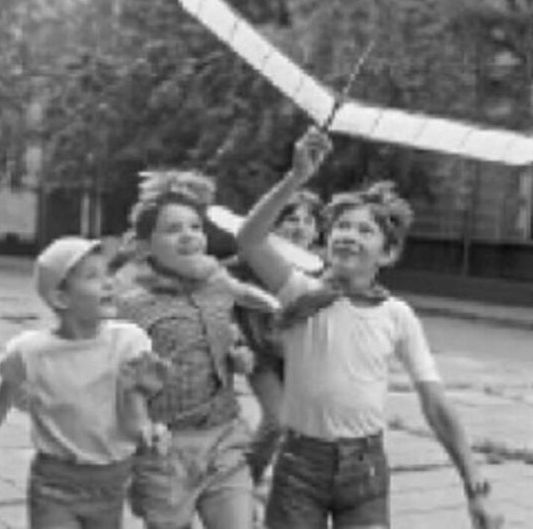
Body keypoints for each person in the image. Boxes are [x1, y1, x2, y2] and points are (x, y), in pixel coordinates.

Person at [237, 127, 504, 529]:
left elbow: (435, 405)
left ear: (389, 252)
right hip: (298, 465)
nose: (349, 235)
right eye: (342, 227)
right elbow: (249, 240)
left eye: (365, 230)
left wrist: (475, 486)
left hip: (366, 470)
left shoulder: (397, 315)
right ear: (327, 240)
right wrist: (296, 177)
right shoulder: (299, 292)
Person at [0, 236, 168, 529]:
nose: (109, 282)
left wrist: (151, 431)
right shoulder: (31, 352)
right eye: (93, 276)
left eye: (108, 272)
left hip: (112, 483)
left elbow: (137, 415)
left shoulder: (129, 342)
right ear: (61, 299)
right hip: (53, 486)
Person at [114, 169, 280, 529]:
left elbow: (231, 332)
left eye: (195, 226)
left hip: (225, 436)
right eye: (173, 229)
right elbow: (116, 378)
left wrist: (239, 355)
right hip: (165, 450)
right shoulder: (130, 304)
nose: (189, 235)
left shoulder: (217, 286)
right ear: (144, 246)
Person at [228, 189, 323, 485]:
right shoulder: (250, 262)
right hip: (261, 356)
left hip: (298, 357)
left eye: (308, 221)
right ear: (273, 224)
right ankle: (242, 482)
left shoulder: (320, 270)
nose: (300, 227)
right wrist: (234, 338)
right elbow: (217, 291)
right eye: (292, 219)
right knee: (277, 421)